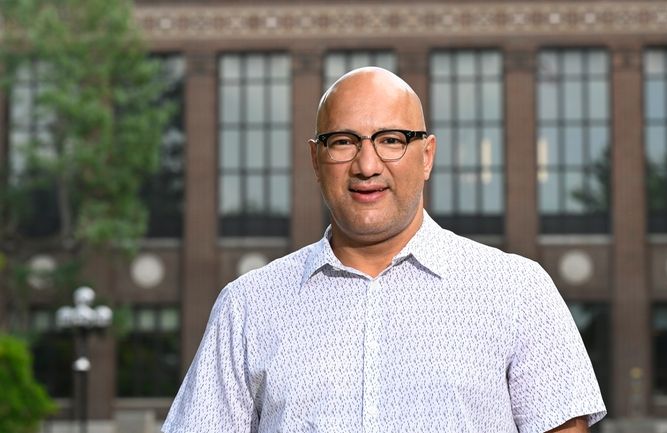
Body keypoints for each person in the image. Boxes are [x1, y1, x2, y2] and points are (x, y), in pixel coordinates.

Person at [162, 67, 606, 433]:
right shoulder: (247, 306)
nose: (367, 165)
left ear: (427, 155)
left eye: (391, 139)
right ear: (316, 161)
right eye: (343, 142)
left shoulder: (517, 291)